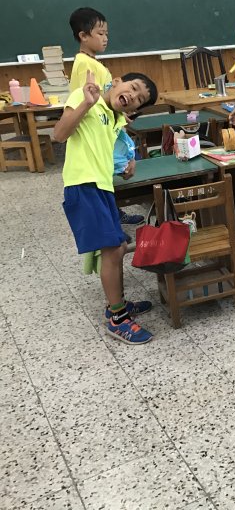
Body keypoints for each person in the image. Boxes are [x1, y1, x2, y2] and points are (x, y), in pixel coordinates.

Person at [54, 70, 159, 344]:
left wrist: (127, 164)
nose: (133, 96)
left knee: (119, 247)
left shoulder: (114, 118)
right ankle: (118, 319)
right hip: (83, 185)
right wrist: (86, 103)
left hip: (102, 186)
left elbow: (103, 148)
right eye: (133, 87)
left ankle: (117, 303)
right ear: (118, 81)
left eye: (139, 99)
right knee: (112, 250)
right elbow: (59, 134)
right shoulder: (87, 99)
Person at [68, 7, 144, 226]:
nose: (105, 38)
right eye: (100, 33)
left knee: (110, 170)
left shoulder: (93, 62)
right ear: (83, 36)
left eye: (107, 34)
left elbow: (105, 99)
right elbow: (87, 99)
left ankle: (113, 213)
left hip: (107, 125)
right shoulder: (85, 64)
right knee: (106, 172)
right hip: (97, 129)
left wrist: (119, 114)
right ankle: (111, 216)